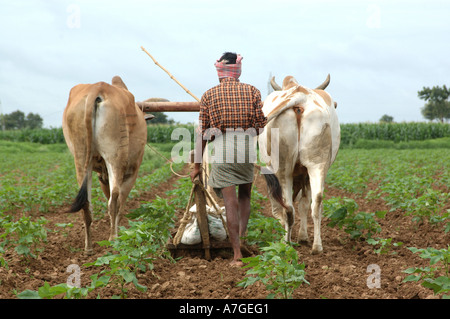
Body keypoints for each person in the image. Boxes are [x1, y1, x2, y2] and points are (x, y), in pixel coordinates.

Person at [190, 52, 267, 267]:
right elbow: (260, 126)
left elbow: (203, 134)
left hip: (223, 149)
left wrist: (196, 167)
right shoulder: (252, 91)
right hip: (246, 148)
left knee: (230, 202)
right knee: (245, 197)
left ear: (220, 71)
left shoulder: (208, 95)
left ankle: (236, 255)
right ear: (238, 70)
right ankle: (241, 239)